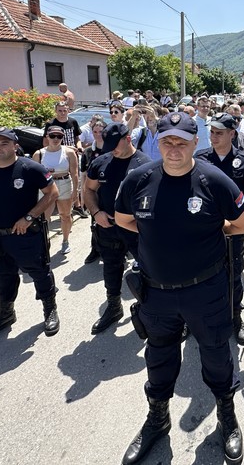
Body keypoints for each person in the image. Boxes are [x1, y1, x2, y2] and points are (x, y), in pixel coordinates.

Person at [115, 111, 244, 465]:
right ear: (157, 142)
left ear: (197, 142)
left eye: (181, 142)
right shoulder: (138, 180)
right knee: (159, 356)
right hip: (156, 292)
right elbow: (122, 219)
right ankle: (157, 419)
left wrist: (212, 232)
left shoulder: (215, 181)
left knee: (216, 355)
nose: (174, 148)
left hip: (204, 291)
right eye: (167, 141)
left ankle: (227, 415)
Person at [0, 127, 60, 341]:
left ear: (15, 146)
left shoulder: (30, 168)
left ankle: (50, 309)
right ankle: (5, 313)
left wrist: (29, 217)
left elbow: (52, 193)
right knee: (3, 276)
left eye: (4, 144)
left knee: (39, 272)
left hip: (25, 235)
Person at [197, 112, 244, 344]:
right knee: (201, 274)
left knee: (233, 273)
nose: (213, 136)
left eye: (219, 133)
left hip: (233, 231)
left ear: (232, 134)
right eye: (211, 132)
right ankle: (199, 318)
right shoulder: (200, 158)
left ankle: (235, 317)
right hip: (205, 230)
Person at [82, 123, 149, 334]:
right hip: (108, 227)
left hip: (137, 230)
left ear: (128, 138)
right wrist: (95, 212)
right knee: (111, 267)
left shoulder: (145, 164)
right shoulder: (100, 162)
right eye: (108, 144)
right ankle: (113, 306)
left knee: (149, 270)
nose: (112, 149)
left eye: (115, 144)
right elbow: (89, 190)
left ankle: (150, 309)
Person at [33, 126, 79, 255]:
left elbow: (74, 173)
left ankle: (65, 241)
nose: (55, 139)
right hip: (46, 185)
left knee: (65, 215)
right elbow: (33, 176)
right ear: (47, 137)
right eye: (52, 136)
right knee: (44, 217)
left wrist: (75, 191)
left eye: (59, 136)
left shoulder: (69, 153)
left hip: (64, 182)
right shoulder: (39, 154)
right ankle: (44, 242)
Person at [80, 120, 106, 265]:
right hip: (93, 193)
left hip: (110, 192)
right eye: (95, 132)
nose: (97, 135)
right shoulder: (88, 152)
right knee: (95, 222)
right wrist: (83, 196)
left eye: (101, 132)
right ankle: (95, 249)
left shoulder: (113, 150)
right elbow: (84, 175)